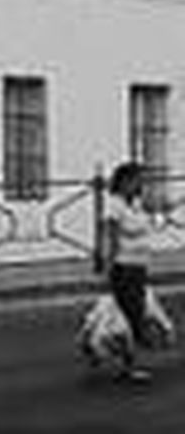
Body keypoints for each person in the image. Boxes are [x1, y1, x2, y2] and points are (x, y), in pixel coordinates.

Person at [103, 161, 160, 382]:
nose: (141, 184)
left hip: (139, 265)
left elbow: (147, 226)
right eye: (137, 180)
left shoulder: (135, 205)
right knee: (131, 315)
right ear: (125, 181)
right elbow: (112, 236)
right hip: (124, 267)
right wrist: (109, 266)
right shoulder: (115, 205)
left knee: (133, 314)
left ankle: (127, 360)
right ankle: (128, 364)